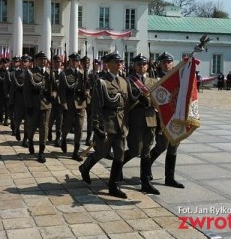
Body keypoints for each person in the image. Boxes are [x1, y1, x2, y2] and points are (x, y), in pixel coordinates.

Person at [79, 52, 130, 198]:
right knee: (101, 152)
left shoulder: (123, 81)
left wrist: (126, 123)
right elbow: (96, 106)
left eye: (120, 61)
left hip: (120, 123)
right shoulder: (101, 82)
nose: (119, 64)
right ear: (108, 64)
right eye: (116, 61)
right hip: (107, 122)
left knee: (119, 154)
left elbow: (125, 104)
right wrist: (97, 126)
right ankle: (85, 167)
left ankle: (113, 186)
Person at [123, 53, 160, 195]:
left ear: (148, 66)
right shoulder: (128, 81)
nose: (142, 66)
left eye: (144, 64)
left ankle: (145, 183)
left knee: (146, 151)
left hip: (150, 119)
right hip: (136, 119)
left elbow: (157, 99)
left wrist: (149, 101)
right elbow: (127, 100)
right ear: (134, 65)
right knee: (135, 150)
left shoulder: (152, 81)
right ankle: (118, 165)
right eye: (139, 64)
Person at [149, 52, 184, 188]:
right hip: (162, 118)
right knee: (161, 146)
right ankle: (147, 167)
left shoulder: (178, 78)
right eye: (163, 62)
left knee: (173, 146)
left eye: (168, 62)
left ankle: (170, 178)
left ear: (172, 64)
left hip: (175, 117)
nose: (166, 64)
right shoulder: (156, 79)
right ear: (160, 64)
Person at [23, 52, 53, 163]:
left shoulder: (50, 72)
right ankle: (30, 140)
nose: (43, 61)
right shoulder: (30, 73)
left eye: (45, 59)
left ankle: (41, 152)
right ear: (36, 61)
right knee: (32, 127)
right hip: (34, 104)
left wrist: (53, 95)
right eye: (41, 59)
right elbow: (26, 91)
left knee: (44, 128)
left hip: (46, 104)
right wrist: (29, 106)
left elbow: (54, 88)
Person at [59, 53, 88, 161]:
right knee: (66, 125)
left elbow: (88, 86)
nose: (75, 63)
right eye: (73, 61)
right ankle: (63, 139)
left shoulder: (83, 73)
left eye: (77, 61)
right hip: (69, 104)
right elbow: (62, 91)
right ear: (69, 62)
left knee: (79, 128)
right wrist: (64, 105)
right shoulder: (64, 74)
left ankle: (76, 151)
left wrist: (87, 93)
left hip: (80, 104)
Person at [48, 55, 63, 147]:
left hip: (61, 101)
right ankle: (49, 131)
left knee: (60, 121)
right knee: (50, 120)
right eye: (56, 62)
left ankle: (58, 138)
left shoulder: (64, 73)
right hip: (51, 101)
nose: (57, 64)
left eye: (59, 62)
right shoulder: (50, 73)